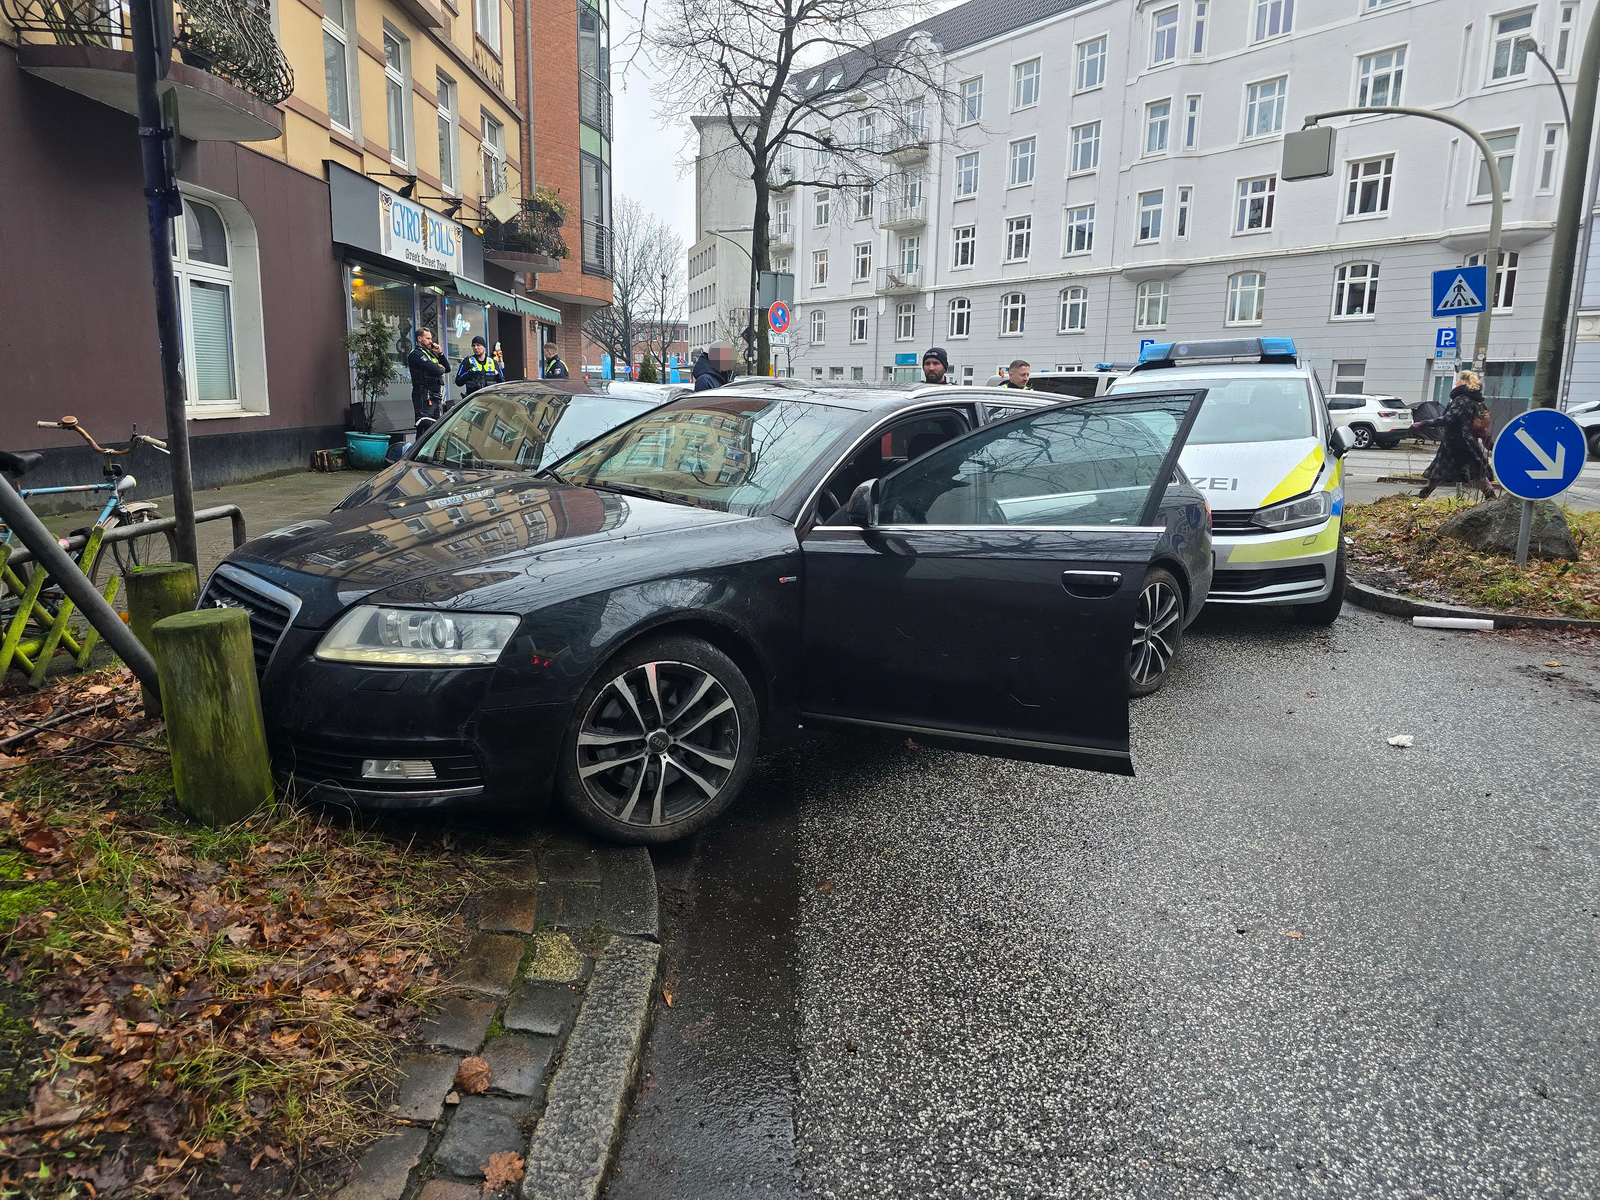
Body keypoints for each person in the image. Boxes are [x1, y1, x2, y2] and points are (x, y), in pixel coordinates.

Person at [1411, 370, 1500, 499]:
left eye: (1458, 379)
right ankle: (1422, 495)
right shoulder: (1473, 399)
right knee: (1468, 469)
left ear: (1464, 381)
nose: (1456, 382)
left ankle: (1422, 496)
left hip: (1458, 441)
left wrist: (1423, 423)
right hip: (1460, 440)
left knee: (1456, 469)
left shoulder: (1462, 399)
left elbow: (1448, 418)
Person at [406, 329, 450, 425]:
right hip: (424, 395)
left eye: (431, 338)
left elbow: (447, 368)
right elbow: (438, 370)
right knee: (424, 426)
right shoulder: (416, 354)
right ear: (419, 338)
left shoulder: (430, 354)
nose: (431, 341)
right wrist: (438, 368)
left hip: (435, 395)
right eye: (428, 338)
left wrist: (440, 354)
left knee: (435, 428)